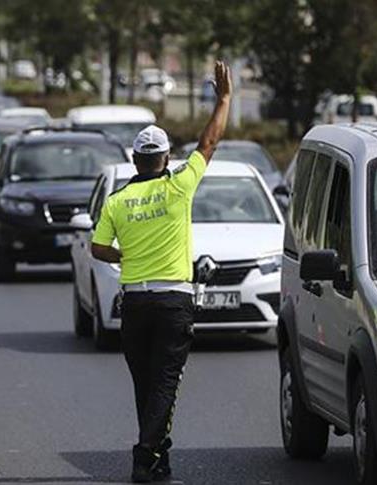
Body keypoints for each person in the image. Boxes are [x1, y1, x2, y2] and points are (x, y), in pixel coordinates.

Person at [90, 61, 232, 483]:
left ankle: (158, 457)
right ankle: (144, 454)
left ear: (135, 160)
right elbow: (209, 142)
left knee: (146, 384)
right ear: (167, 158)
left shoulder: (117, 201)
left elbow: (98, 248)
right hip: (174, 301)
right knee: (166, 383)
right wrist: (223, 98)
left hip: (134, 300)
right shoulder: (178, 187)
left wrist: (125, 256)